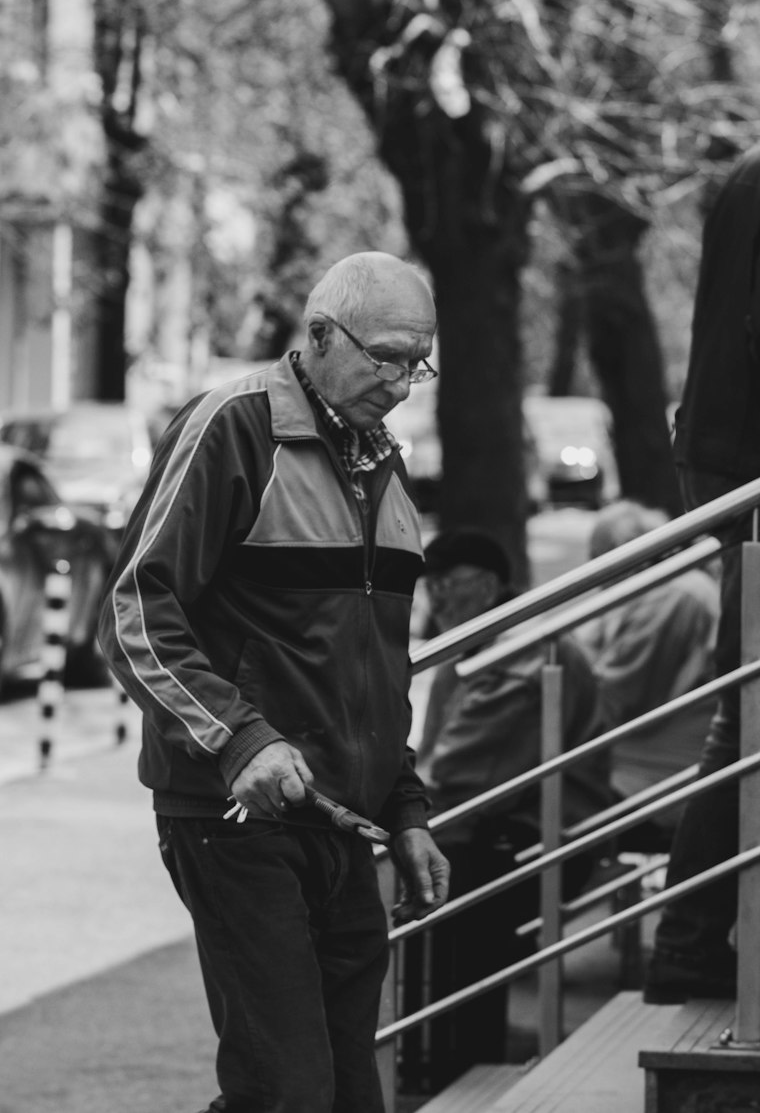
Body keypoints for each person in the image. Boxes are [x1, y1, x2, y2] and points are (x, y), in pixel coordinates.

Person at [98, 251, 450, 1113]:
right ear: (322, 334)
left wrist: (404, 806)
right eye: (387, 357)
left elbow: (373, 672)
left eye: (419, 361)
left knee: (348, 1091)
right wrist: (237, 736)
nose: (404, 383)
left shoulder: (382, 460)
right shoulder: (232, 424)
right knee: (285, 1088)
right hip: (236, 813)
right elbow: (134, 612)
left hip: (343, 825)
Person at [414, 528, 611, 1093]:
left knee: (421, 867)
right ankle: (438, 1061)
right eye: (434, 588)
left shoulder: (515, 655)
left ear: (492, 585)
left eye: (451, 586)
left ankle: (450, 1066)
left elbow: (463, 778)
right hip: (510, 830)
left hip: (534, 839)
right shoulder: (489, 646)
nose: (441, 602)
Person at [643, 144, 760, 1004]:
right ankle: (685, 942)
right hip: (744, 464)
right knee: (744, 710)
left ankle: (687, 940)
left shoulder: (748, 176)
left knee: (744, 707)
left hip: (723, 456)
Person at [575, 500, 718, 841]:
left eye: (601, 559)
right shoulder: (666, 592)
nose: (598, 578)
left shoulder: (674, 595)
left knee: (526, 803)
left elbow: (617, 697)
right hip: (644, 768)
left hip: (656, 780)